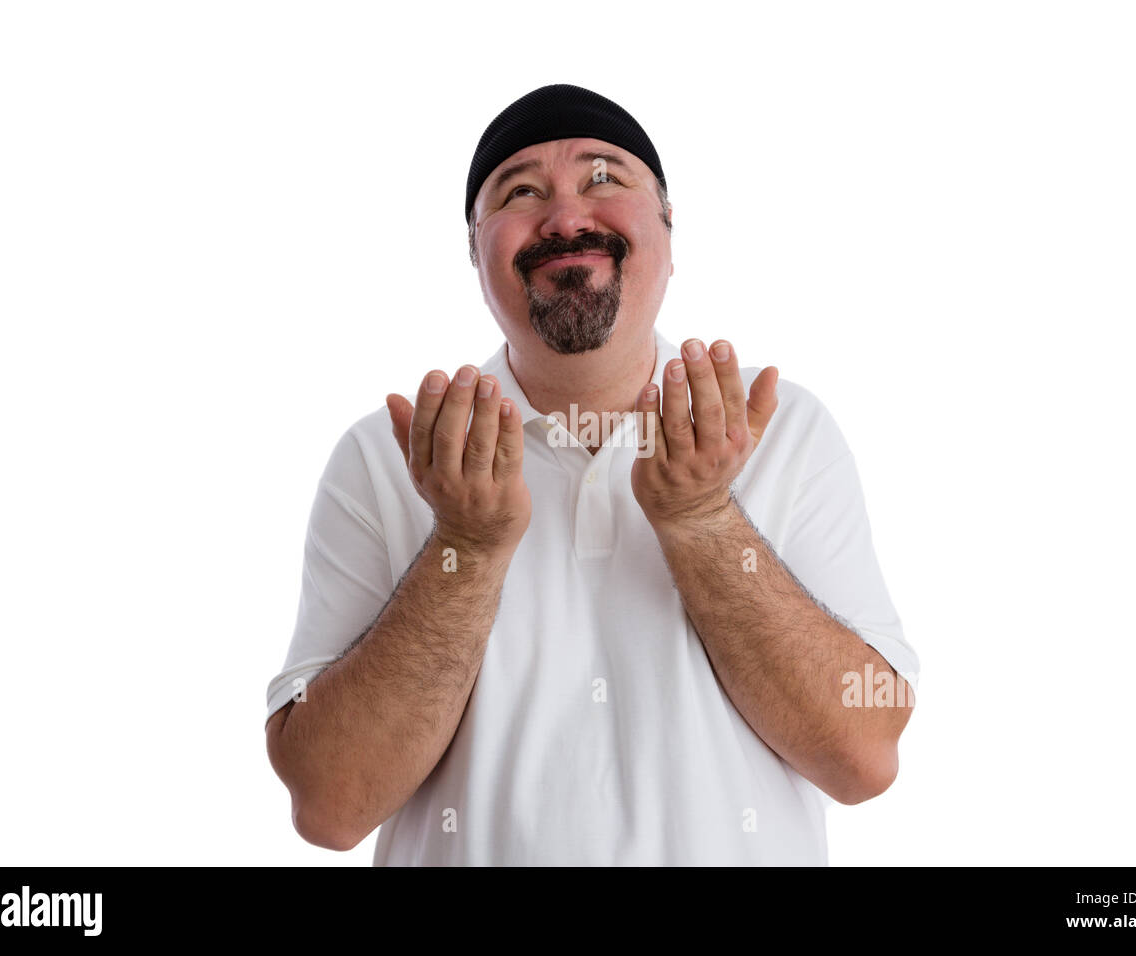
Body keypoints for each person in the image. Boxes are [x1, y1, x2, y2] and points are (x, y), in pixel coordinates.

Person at [264, 84, 920, 865]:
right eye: (522, 192)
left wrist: (704, 517)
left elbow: (863, 758)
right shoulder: (388, 457)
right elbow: (331, 806)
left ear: (669, 230)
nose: (567, 217)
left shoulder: (781, 431)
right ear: (477, 252)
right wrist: (465, 547)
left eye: (605, 178)